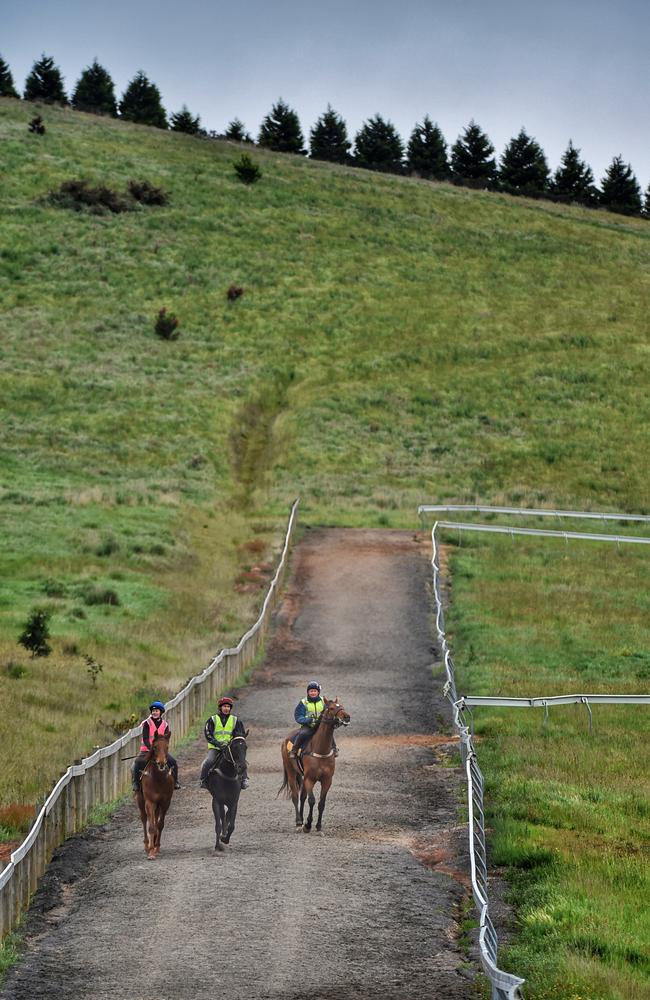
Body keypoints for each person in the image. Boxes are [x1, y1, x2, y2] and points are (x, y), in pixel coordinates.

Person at [199, 696, 249, 789]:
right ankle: (203, 779)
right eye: (224, 706)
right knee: (209, 760)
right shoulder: (212, 720)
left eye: (228, 707)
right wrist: (217, 744)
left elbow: (239, 734)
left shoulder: (235, 720)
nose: (226, 708)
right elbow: (208, 734)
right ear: (220, 708)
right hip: (215, 747)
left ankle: (244, 779)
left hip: (230, 747)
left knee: (241, 760)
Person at [132, 700, 180, 791]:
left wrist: (160, 750)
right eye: (153, 711)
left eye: (156, 711)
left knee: (173, 762)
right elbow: (145, 738)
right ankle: (136, 784)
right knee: (137, 762)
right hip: (146, 750)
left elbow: (166, 739)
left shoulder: (165, 724)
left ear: (161, 712)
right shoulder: (147, 723)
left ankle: (175, 782)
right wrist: (151, 749)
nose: (154, 713)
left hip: (161, 751)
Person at [288, 681, 337, 759]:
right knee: (303, 734)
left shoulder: (323, 701)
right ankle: (294, 750)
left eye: (315, 691)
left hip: (321, 725)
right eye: (311, 691)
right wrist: (307, 720)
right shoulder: (304, 702)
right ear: (308, 692)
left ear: (318, 692)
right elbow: (298, 716)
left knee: (329, 733)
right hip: (308, 726)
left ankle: (334, 749)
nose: (313, 693)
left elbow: (329, 713)